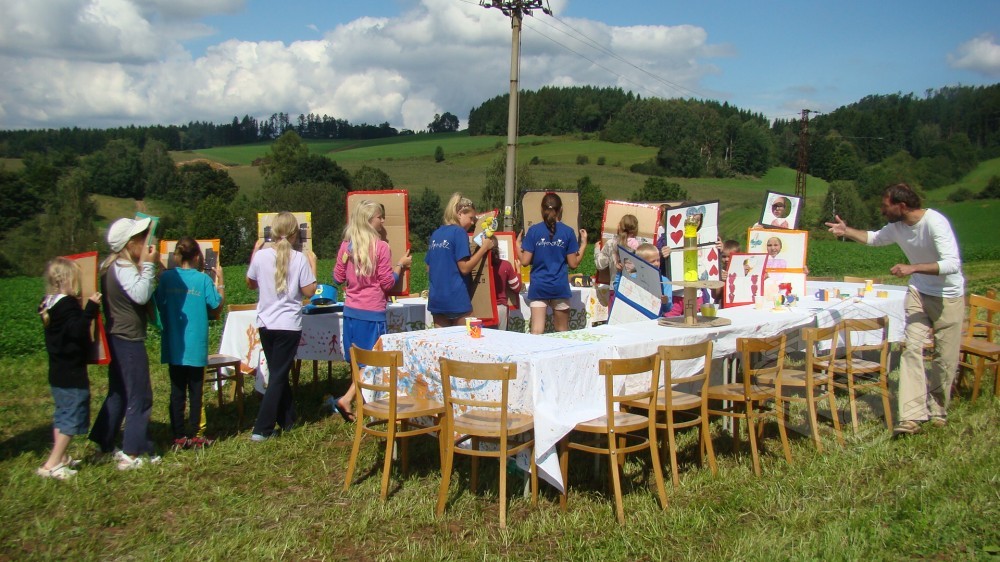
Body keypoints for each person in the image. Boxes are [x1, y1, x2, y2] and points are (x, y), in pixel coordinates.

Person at [826, 183, 964, 436]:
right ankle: (911, 416)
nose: (882, 210)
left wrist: (913, 268)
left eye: (885, 205)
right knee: (911, 348)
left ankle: (938, 410)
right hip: (918, 292)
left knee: (944, 359)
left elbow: (952, 264)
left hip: (948, 296)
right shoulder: (897, 227)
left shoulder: (935, 222)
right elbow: (874, 238)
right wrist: (847, 231)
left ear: (902, 206)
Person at [89, 217, 161, 470]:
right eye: (141, 238)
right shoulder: (123, 267)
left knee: (118, 392)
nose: (146, 242)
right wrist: (149, 266)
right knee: (140, 394)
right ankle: (132, 450)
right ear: (129, 244)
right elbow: (140, 295)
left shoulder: (110, 265)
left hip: (116, 336)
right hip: (128, 338)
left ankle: (103, 441)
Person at [330, 200, 411, 422]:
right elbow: (387, 283)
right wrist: (400, 266)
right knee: (371, 360)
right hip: (372, 312)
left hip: (350, 311)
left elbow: (337, 278)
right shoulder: (381, 247)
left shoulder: (346, 246)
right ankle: (349, 399)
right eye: (379, 217)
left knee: (356, 359)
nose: (382, 221)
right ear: (368, 220)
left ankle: (360, 403)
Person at [247, 212, 317, 441]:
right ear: (296, 234)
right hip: (288, 325)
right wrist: (313, 266)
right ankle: (262, 428)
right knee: (278, 375)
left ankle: (288, 420)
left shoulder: (261, 257)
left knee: (278, 372)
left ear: (272, 232)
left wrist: (254, 254)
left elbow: (250, 283)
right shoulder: (299, 259)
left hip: (266, 323)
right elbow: (309, 291)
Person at [154, 237, 224, 450]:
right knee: (195, 392)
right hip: (195, 345)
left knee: (176, 391)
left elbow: (158, 302)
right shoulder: (202, 280)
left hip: (174, 343)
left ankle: (178, 435)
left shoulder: (167, 278)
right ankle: (195, 434)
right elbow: (215, 304)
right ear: (197, 256)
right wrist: (220, 282)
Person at [37, 258, 101, 479]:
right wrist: (91, 308)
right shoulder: (67, 304)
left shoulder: (49, 303)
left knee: (62, 414)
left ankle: (62, 457)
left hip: (57, 371)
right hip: (71, 372)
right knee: (72, 417)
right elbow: (77, 330)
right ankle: (52, 464)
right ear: (66, 280)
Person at [519, 192, 587, 334]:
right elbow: (573, 264)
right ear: (561, 209)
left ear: (541, 209)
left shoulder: (533, 231)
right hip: (559, 286)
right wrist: (584, 244)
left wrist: (516, 246)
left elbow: (525, 261)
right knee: (562, 331)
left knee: (537, 331)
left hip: (539, 286)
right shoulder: (568, 232)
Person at [425, 193, 493, 328]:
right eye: (471, 218)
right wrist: (484, 248)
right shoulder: (459, 232)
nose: (472, 223)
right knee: (470, 336)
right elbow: (464, 268)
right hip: (456, 298)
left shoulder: (436, 233)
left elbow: (428, 267)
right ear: (460, 214)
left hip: (436, 299)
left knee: (443, 340)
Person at [635, 243, 703, 318]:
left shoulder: (665, 282)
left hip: (655, 318)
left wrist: (666, 301)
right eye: (652, 261)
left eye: (658, 260)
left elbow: (668, 308)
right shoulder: (633, 278)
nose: (656, 263)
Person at [594, 214, 639, 287]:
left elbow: (600, 265)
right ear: (636, 230)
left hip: (615, 287)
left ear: (619, 226)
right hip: (633, 289)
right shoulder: (640, 247)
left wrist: (597, 249)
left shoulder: (611, 244)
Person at [491, 249, 521, 331]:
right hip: (500, 307)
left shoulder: (477, 266)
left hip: (481, 308)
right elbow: (516, 288)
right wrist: (518, 271)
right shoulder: (505, 265)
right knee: (501, 337)